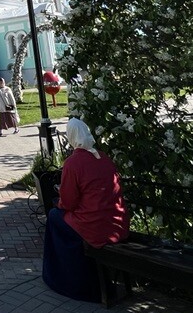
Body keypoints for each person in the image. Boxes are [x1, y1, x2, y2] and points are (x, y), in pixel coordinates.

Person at [42, 118, 129, 301]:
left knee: (54, 216)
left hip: (94, 226)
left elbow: (69, 203)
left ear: (71, 137)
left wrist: (60, 197)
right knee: (60, 219)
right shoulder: (103, 157)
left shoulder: (74, 162)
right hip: (116, 222)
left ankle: (65, 278)